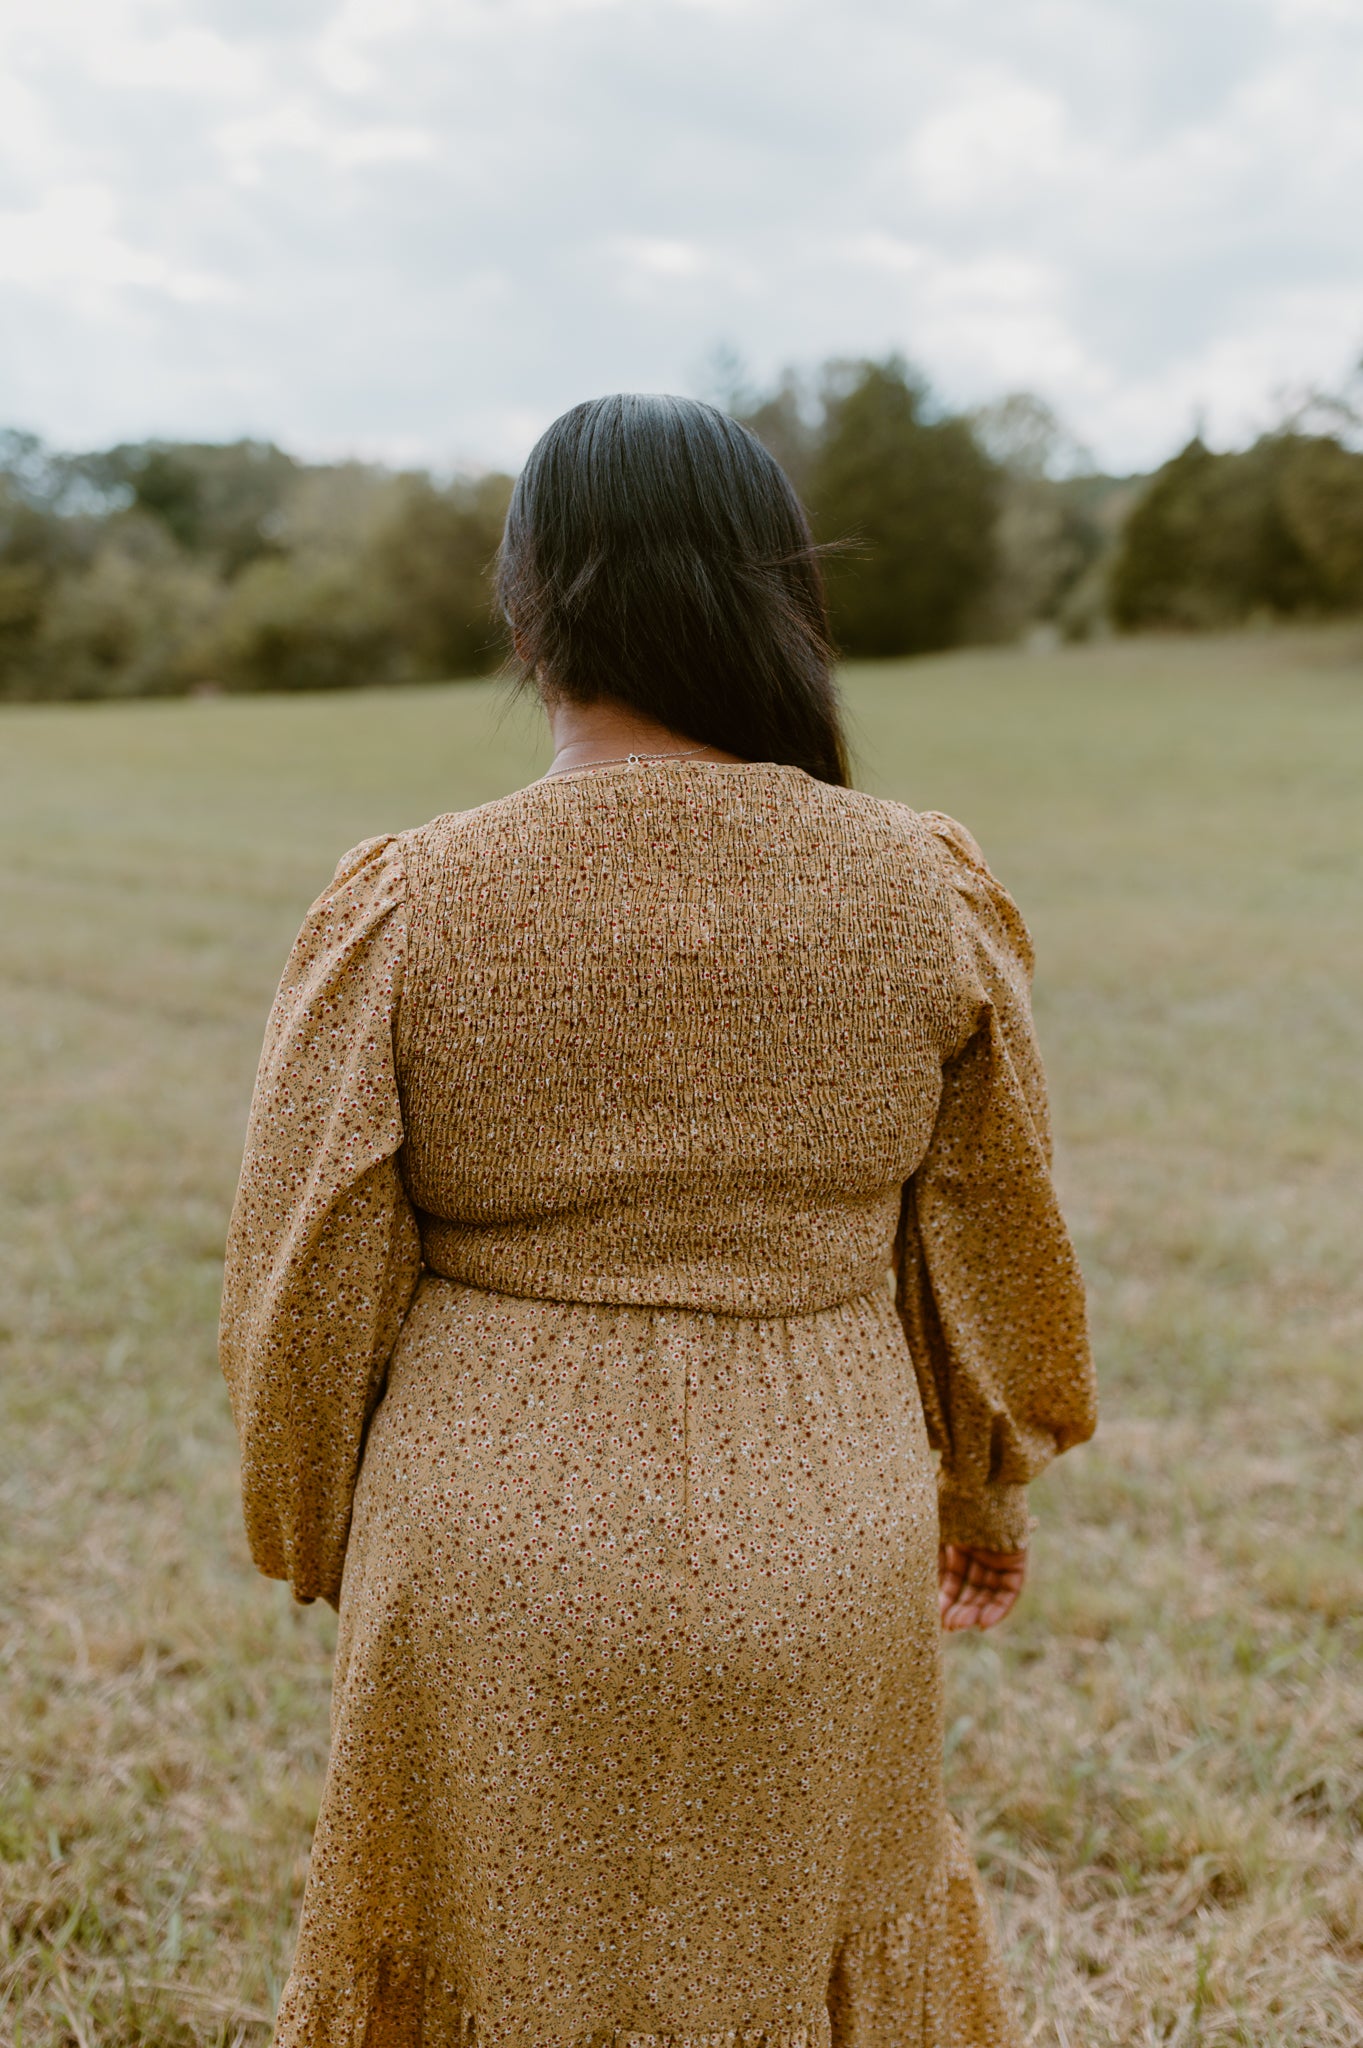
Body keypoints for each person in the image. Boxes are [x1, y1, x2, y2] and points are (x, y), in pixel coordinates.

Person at [220, 392, 1097, 2048]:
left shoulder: (411, 898)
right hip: (827, 1528)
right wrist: (978, 1487)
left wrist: (313, 1518)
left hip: (483, 1537)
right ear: (778, 595)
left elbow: (303, 1267)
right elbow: (992, 1226)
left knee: (481, 1966)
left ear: (528, 604)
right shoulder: (923, 888)